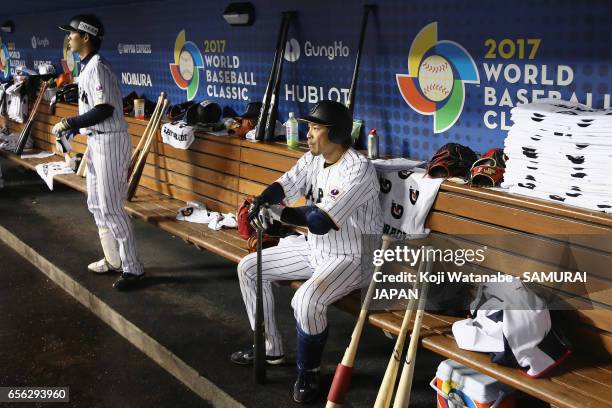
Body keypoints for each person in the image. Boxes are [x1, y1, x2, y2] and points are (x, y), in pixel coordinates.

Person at [231, 100, 383, 403]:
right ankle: (269, 347)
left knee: (306, 300)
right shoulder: (313, 157)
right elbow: (285, 184)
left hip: (354, 256)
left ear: (337, 134)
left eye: (315, 128)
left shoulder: (358, 169)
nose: (309, 134)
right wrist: (262, 202)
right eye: (309, 127)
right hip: (317, 250)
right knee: (249, 268)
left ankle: (308, 371)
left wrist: (278, 215)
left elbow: (319, 221)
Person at [52, 14, 144, 291]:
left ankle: (133, 269)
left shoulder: (98, 67)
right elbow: (93, 110)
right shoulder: (87, 67)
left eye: (72, 33)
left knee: (111, 208)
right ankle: (113, 259)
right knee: (95, 203)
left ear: (86, 37)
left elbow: (105, 109)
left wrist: (71, 122)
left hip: (111, 143)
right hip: (96, 140)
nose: (69, 37)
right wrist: (75, 130)